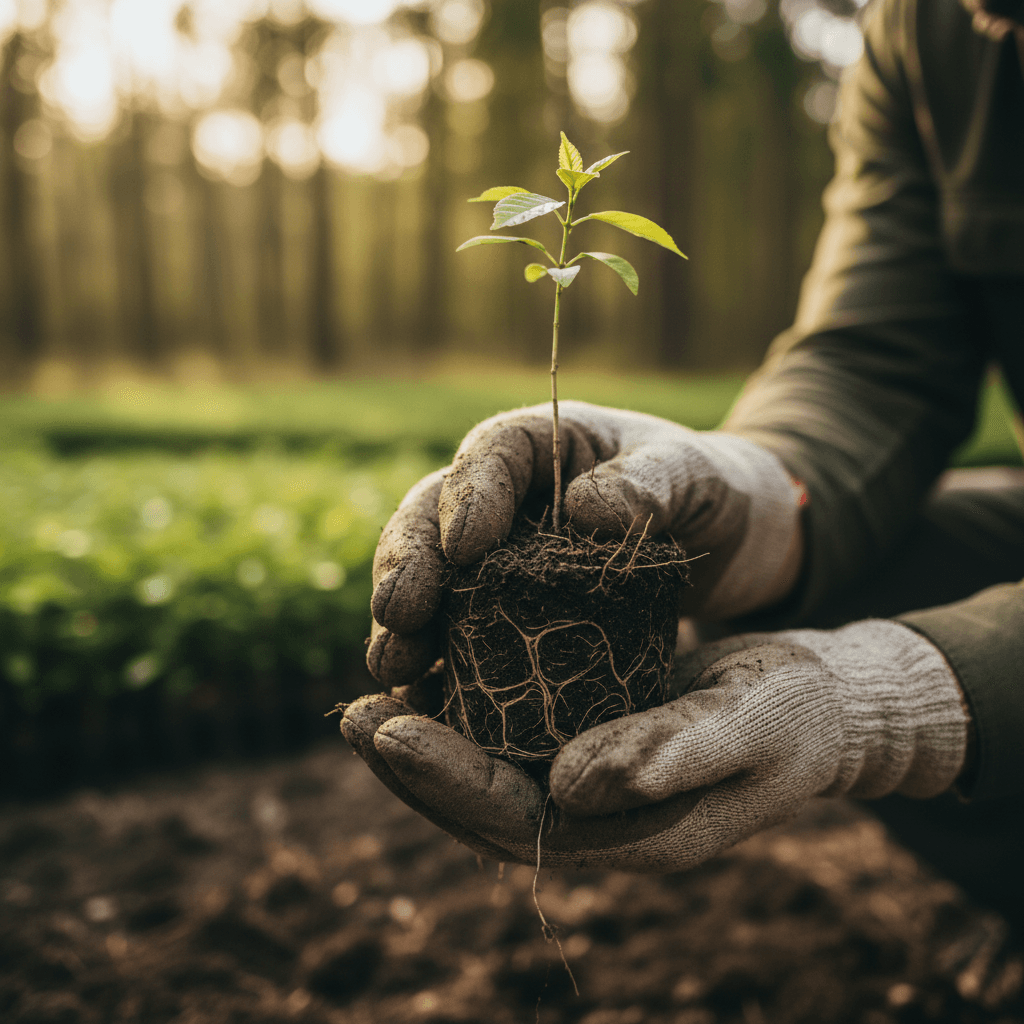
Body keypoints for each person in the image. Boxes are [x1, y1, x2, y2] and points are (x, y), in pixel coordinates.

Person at [342, 0, 1024, 933]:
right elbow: (876, 362)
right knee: (810, 587)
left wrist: (903, 700)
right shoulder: (932, 26)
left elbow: (901, 693)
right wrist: (747, 489)